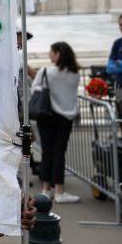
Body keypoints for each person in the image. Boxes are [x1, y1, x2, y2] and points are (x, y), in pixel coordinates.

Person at [31, 41, 81, 203]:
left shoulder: (46, 71)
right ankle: (60, 190)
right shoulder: (75, 74)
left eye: (51, 52)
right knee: (59, 153)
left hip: (47, 115)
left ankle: (46, 190)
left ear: (58, 54)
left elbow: (35, 89)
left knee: (47, 152)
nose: (49, 55)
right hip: (66, 118)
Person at [107, 13, 122, 119]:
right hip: (121, 89)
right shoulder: (117, 43)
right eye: (121, 25)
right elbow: (109, 67)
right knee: (121, 119)